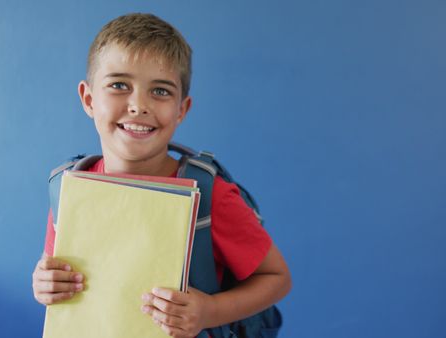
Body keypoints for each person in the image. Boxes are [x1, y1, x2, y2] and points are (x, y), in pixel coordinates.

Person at [31, 13, 291, 338]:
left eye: (161, 91)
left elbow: (277, 277)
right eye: (119, 85)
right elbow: (54, 268)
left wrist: (210, 311)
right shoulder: (68, 187)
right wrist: (44, 283)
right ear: (88, 98)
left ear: (181, 109)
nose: (139, 105)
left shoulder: (212, 195)